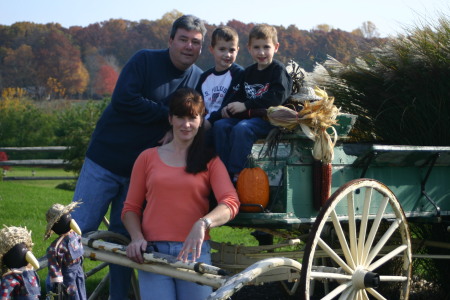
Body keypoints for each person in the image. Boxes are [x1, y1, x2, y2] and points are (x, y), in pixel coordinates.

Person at [70, 15, 207, 299]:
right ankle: (61, 289)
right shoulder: (145, 60)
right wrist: (168, 118)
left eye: (196, 42)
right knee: (77, 231)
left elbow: (196, 119)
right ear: (170, 41)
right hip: (105, 160)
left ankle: (119, 296)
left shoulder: (196, 79)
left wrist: (175, 127)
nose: (188, 47)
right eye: (183, 39)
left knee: (123, 241)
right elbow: (123, 99)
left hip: (139, 173)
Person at [121, 88, 240, 300]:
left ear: (201, 119)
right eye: (180, 117)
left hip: (194, 253)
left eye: (192, 118)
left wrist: (203, 223)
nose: (186, 125)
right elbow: (130, 208)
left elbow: (230, 203)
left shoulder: (209, 161)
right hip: (152, 254)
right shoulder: (147, 158)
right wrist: (136, 237)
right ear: (170, 118)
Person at [213, 24, 292, 181]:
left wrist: (246, 105)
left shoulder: (278, 70)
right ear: (249, 48)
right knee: (220, 126)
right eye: (256, 47)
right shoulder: (247, 72)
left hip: (269, 119)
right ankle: (221, 171)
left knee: (242, 129)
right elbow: (238, 95)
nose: (261, 52)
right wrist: (228, 108)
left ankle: (238, 173)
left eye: (266, 47)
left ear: (276, 47)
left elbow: (277, 97)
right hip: (249, 117)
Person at [195, 26, 244, 134]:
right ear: (212, 49)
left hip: (225, 125)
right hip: (204, 123)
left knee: (219, 126)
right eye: (222, 49)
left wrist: (210, 121)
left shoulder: (239, 74)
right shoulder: (204, 77)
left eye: (232, 50)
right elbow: (197, 104)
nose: (227, 55)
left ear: (237, 50)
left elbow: (229, 105)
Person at [44, 203, 86, 300]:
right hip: (66, 275)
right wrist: (57, 282)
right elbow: (53, 266)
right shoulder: (56, 247)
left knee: (80, 290)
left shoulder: (74, 236)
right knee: (70, 294)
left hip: (78, 270)